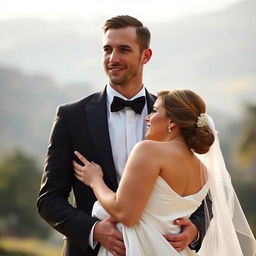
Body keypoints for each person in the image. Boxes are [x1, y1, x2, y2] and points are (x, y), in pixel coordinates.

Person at [37, 15, 210, 256]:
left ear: (145, 56)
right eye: (107, 49)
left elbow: (204, 197)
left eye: (124, 50)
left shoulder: (173, 117)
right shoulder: (71, 117)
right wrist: (93, 230)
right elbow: (49, 199)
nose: (113, 58)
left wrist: (195, 231)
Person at [73, 89, 256, 256]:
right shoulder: (203, 170)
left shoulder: (149, 150)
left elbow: (125, 214)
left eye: (154, 111)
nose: (148, 117)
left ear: (172, 122)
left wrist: (95, 181)